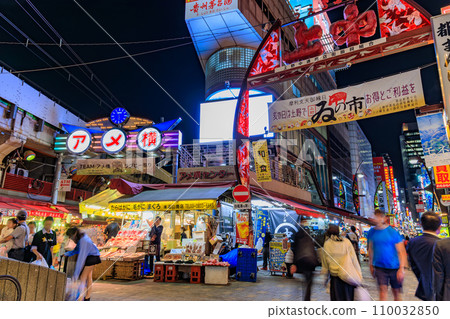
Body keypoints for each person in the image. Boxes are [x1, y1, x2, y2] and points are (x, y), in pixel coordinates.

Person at [368, 209, 407, 301]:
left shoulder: (393, 232)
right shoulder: (371, 232)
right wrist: (371, 265)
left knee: (396, 292)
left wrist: (402, 269)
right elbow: (370, 249)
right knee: (382, 291)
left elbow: (401, 251)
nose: (375, 219)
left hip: (394, 267)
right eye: (375, 217)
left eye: (378, 217)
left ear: (384, 218)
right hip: (379, 267)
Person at [322, 225, 362, 301]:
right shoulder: (346, 242)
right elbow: (354, 259)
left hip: (335, 279)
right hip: (348, 276)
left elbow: (325, 263)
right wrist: (359, 275)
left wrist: (325, 277)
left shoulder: (327, 244)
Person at [407, 212, 441, 301]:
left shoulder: (413, 242)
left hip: (424, 286)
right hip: (442, 289)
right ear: (439, 227)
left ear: (421, 225)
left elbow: (413, 264)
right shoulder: (442, 244)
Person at [64, 227, 101, 301]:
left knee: (83, 277)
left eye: (70, 236)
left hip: (92, 257)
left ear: (74, 234)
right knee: (88, 278)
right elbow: (77, 250)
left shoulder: (83, 240)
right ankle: (87, 297)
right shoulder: (81, 238)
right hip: (93, 256)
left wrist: (76, 275)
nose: (70, 238)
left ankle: (80, 298)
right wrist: (68, 253)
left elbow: (81, 258)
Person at [290, 226, 319, 301]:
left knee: (305, 279)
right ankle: (307, 298)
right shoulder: (309, 237)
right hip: (311, 261)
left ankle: (305, 296)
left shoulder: (297, 236)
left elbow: (295, 250)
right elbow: (313, 249)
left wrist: (294, 264)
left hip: (301, 260)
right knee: (309, 280)